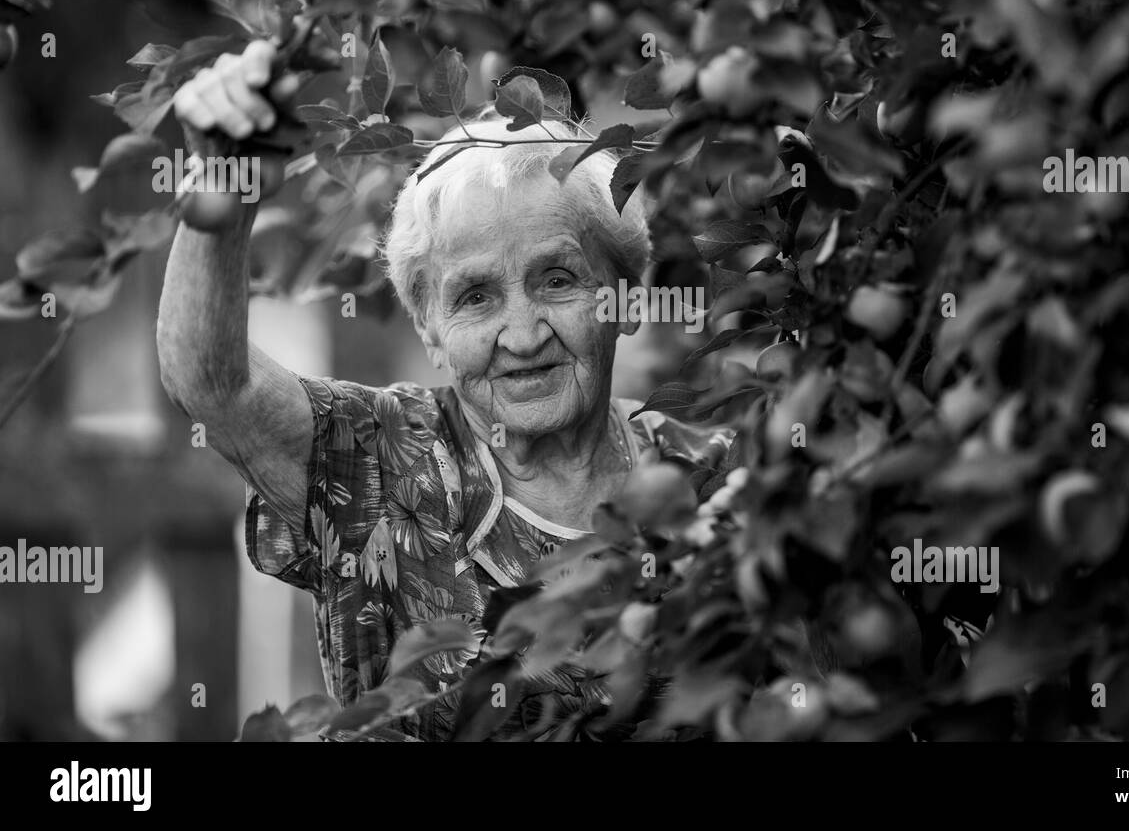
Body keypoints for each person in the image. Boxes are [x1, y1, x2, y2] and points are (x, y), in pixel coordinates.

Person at [156, 40, 738, 740]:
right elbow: (213, 382)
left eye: (558, 279)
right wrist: (224, 194)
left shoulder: (715, 480)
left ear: (626, 298)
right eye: (476, 297)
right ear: (429, 330)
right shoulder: (377, 458)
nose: (522, 335)